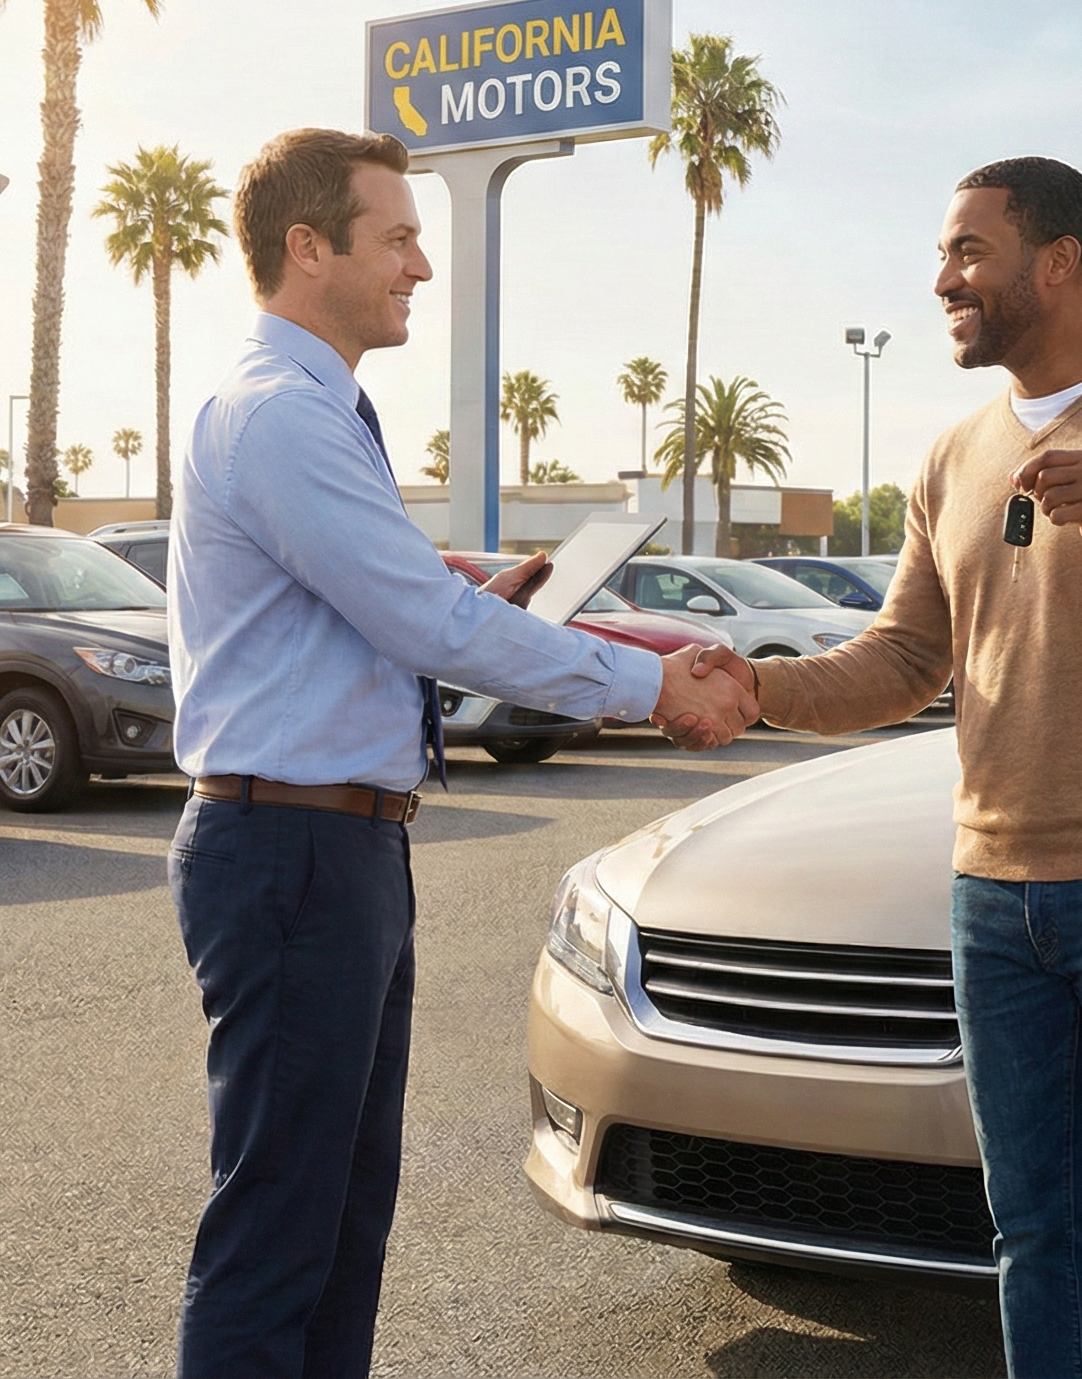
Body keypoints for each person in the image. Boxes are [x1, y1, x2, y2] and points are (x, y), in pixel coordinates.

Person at [686, 156, 1082, 1379]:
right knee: (1030, 1231)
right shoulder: (951, 452)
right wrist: (761, 687)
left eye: (968, 251)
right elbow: (907, 656)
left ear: (1055, 261)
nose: (941, 279)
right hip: (991, 896)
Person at [165, 128, 754, 1379]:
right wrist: (653, 681)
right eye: (397, 235)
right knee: (279, 1226)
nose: (422, 264)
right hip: (291, 849)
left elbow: (399, 596)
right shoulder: (278, 414)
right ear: (305, 246)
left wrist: (499, 590)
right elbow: (422, 623)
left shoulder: (321, 411)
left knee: (341, 1219)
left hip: (339, 842)